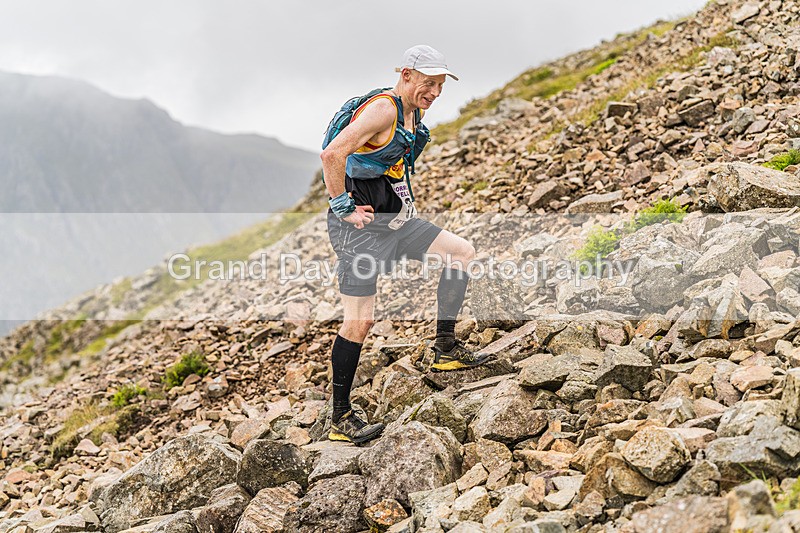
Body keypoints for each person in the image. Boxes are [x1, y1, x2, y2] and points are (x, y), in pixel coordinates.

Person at [321, 45, 492, 445]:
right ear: (406, 75)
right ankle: (340, 417)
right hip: (359, 228)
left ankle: (445, 348)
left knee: (461, 252)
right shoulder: (384, 109)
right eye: (427, 83)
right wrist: (343, 207)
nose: (433, 91)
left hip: (395, 220)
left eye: (439, 85)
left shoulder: (413, 114)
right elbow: (332, 154)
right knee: (360, 320)